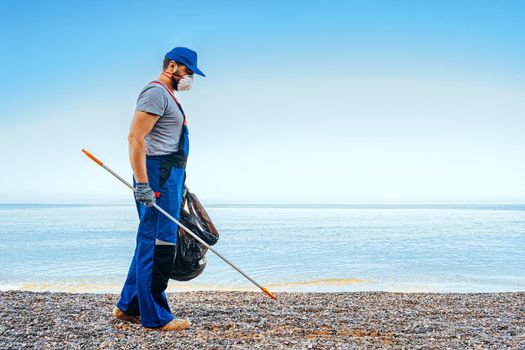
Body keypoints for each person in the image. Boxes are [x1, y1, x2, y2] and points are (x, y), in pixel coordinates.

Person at [112, 47, 205, 331]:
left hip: (170, 177)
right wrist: (142, 184)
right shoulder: (155, 93)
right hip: (157, 176)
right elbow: (135, 138)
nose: (190, 77)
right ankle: (156, 317)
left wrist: (179, 182)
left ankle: (128, 307)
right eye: (188, 71)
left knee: (149, 241)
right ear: (172, 66)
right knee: (158, 244)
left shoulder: (168, 97)